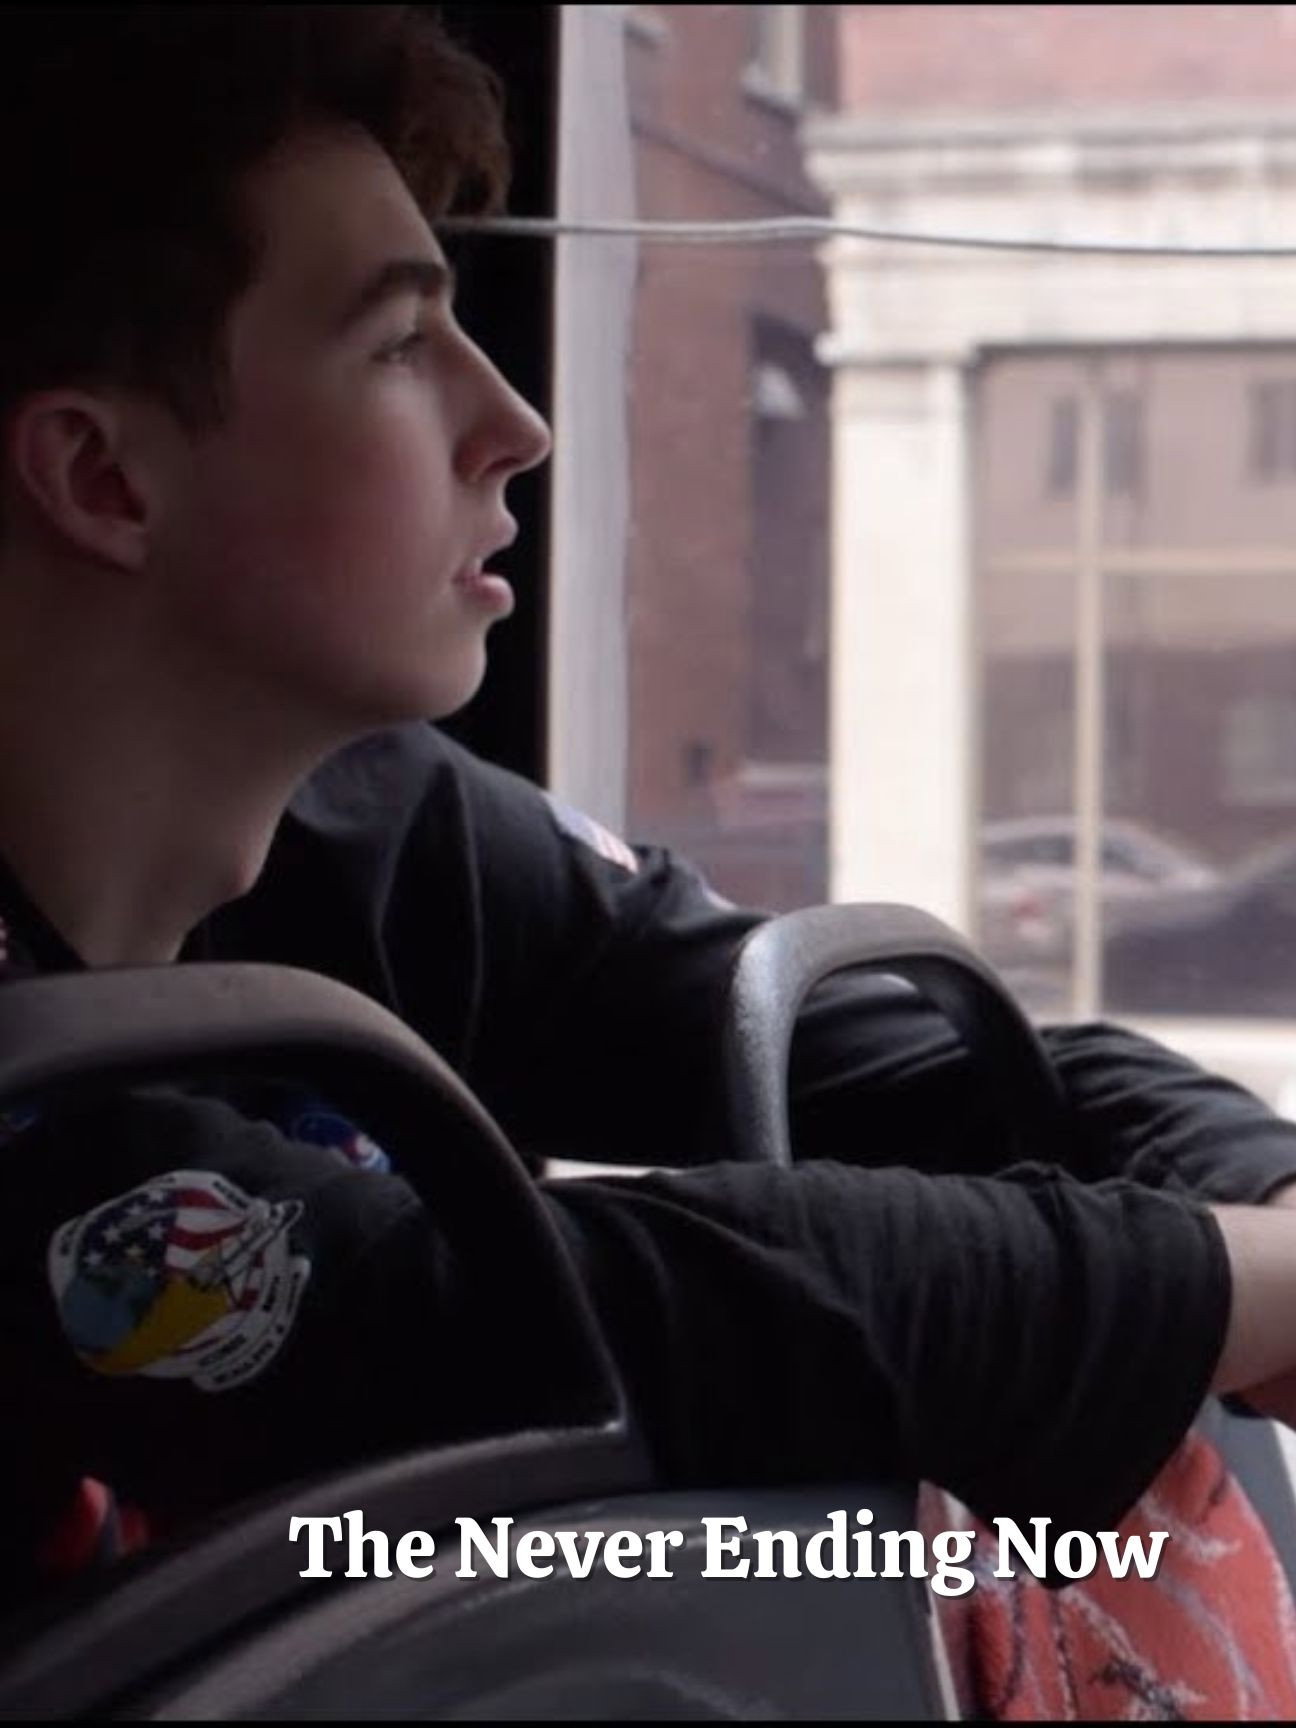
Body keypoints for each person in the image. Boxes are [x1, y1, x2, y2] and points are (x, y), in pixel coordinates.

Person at [2, 2, 1296, 1609]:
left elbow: (890, 1055)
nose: (517, 423)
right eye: (399, 345)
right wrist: (1221, 1286)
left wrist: (1262, 1194)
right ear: (105, 478)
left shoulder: (369, 823)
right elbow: (543, 1320)